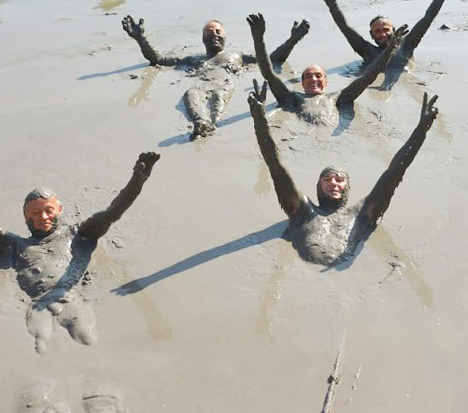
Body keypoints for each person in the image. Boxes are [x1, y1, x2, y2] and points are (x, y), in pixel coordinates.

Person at [0, 151, 160, 353]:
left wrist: (138, 178)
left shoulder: (81, 235)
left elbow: (114, 210)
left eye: (48, 210)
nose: (42, 217)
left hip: (71, 298)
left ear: (59, 209)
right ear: (25, 217)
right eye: (34, 212)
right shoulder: (13, 245)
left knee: (88, 342)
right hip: (38, 303)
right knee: (40, 347)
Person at [249, 83, 439, 265]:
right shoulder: (302, 211)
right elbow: (275, 165)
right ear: (318, 187)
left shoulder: (363, 214)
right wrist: (259, 119)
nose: (333, 183)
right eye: (327, 179)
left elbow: (395, 172)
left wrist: (421, 130)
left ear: (347, 188)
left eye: (340, 180)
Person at [121, 16, 307, 139]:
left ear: (225, 37)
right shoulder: (193, 59)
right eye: (209, 33)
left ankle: (212, 124)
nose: (215, 35)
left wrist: (293, 40)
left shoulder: (237, 56)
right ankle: (201, 123)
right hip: (201, 85)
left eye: (218, 32)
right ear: (203, 39)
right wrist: (140, 38)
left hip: (225, 84)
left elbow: (272, 59)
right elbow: (158, 60)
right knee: (191, 94)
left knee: (219, 99)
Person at [247, 13, 405, 125]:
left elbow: (368, 76)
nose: (313, 79)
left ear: (326, 81)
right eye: (308, 76)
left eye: (318, 76)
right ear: (302, 83)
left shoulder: (339, 97)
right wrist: (258, 38)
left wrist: (389, 50)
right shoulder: (291, 98)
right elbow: (268, 72)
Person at [314, 0, 458, 71]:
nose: (382, 34)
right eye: (377, 31)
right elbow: (345, 28)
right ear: (371, 35)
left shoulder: (408, 44)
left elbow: (428, 18)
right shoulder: (367, 51)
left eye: (386, 30)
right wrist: (331, 3)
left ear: (394, 31)